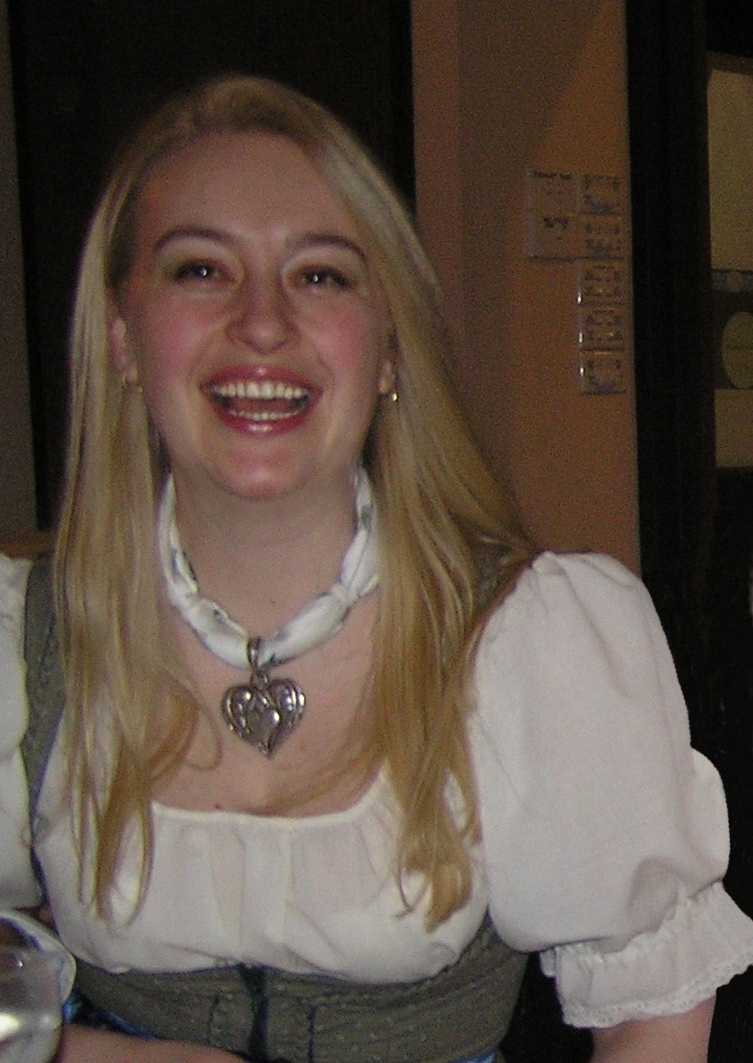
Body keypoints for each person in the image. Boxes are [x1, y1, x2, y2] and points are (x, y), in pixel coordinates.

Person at [0, 74, 751, 1063]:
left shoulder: (529, 641)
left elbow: (652, 1017)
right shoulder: (27, 641)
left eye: (319, 275)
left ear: (389, 347)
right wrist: (86, 1051)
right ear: (122, 337)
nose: (261, 321)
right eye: (200, 270)